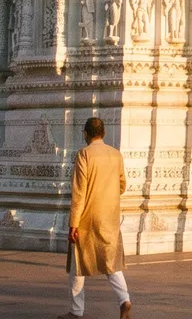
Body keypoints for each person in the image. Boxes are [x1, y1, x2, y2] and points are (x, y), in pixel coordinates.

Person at [68, 116, 130, 318]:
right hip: (110, 216)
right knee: (111, 262)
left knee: (78, 264)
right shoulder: (115, 154)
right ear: (103, 133)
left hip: (87, 216)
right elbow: (122, 185)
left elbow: (79, 192)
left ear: (85, 134)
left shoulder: (84, 154)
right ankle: (124, 300)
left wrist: (73, 224)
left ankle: (77, 311)